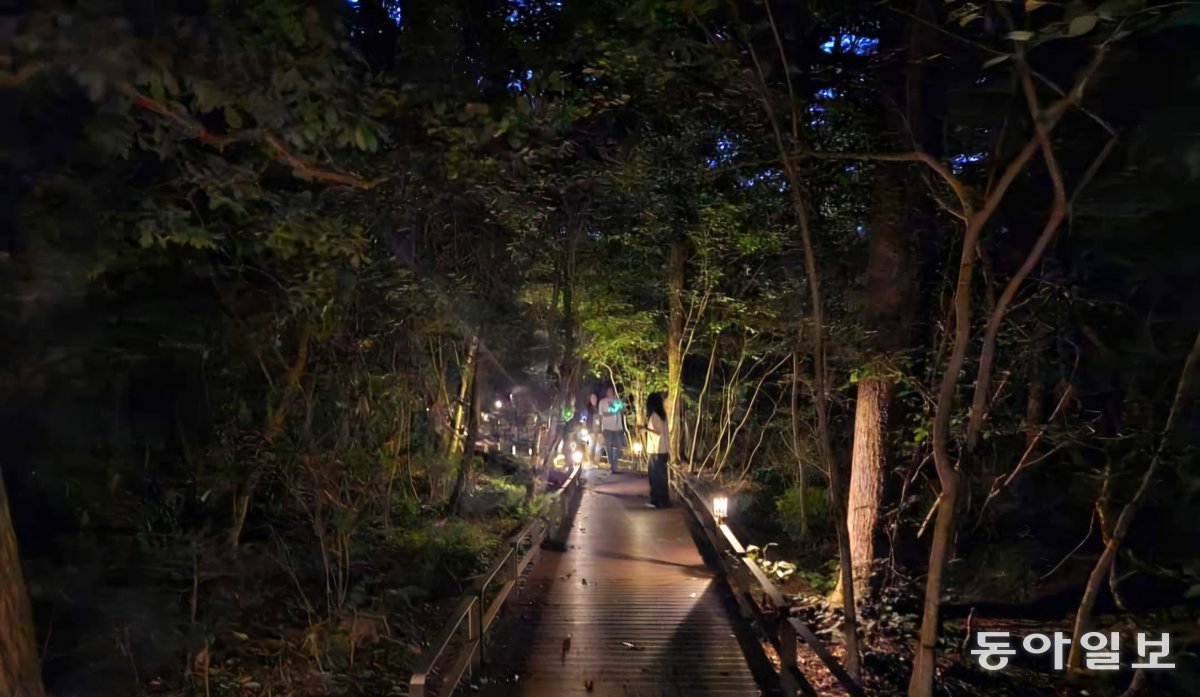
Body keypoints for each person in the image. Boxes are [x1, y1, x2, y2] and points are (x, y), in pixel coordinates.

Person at [643, 393, 670, 507]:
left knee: (655, 477)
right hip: (663, 450)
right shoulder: (662, 415)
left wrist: (645, 429)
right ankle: (663, 501)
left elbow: (658, 432)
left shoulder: (655, 416)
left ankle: (657, 502)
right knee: (661, 477)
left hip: (656, 450)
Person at [597, 387, 625, 473]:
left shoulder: (618, 401)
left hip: (618, 427)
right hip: (607, 427)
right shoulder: (602, 402)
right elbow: (603, 414)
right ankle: (612, 466)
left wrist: (620, 410)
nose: (610, 393)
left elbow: (623, 411)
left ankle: (614, 463)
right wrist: (613, 412)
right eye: (608, 391)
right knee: (609, 446)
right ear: (606, 393)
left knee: (620, 446)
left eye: (611, 391)